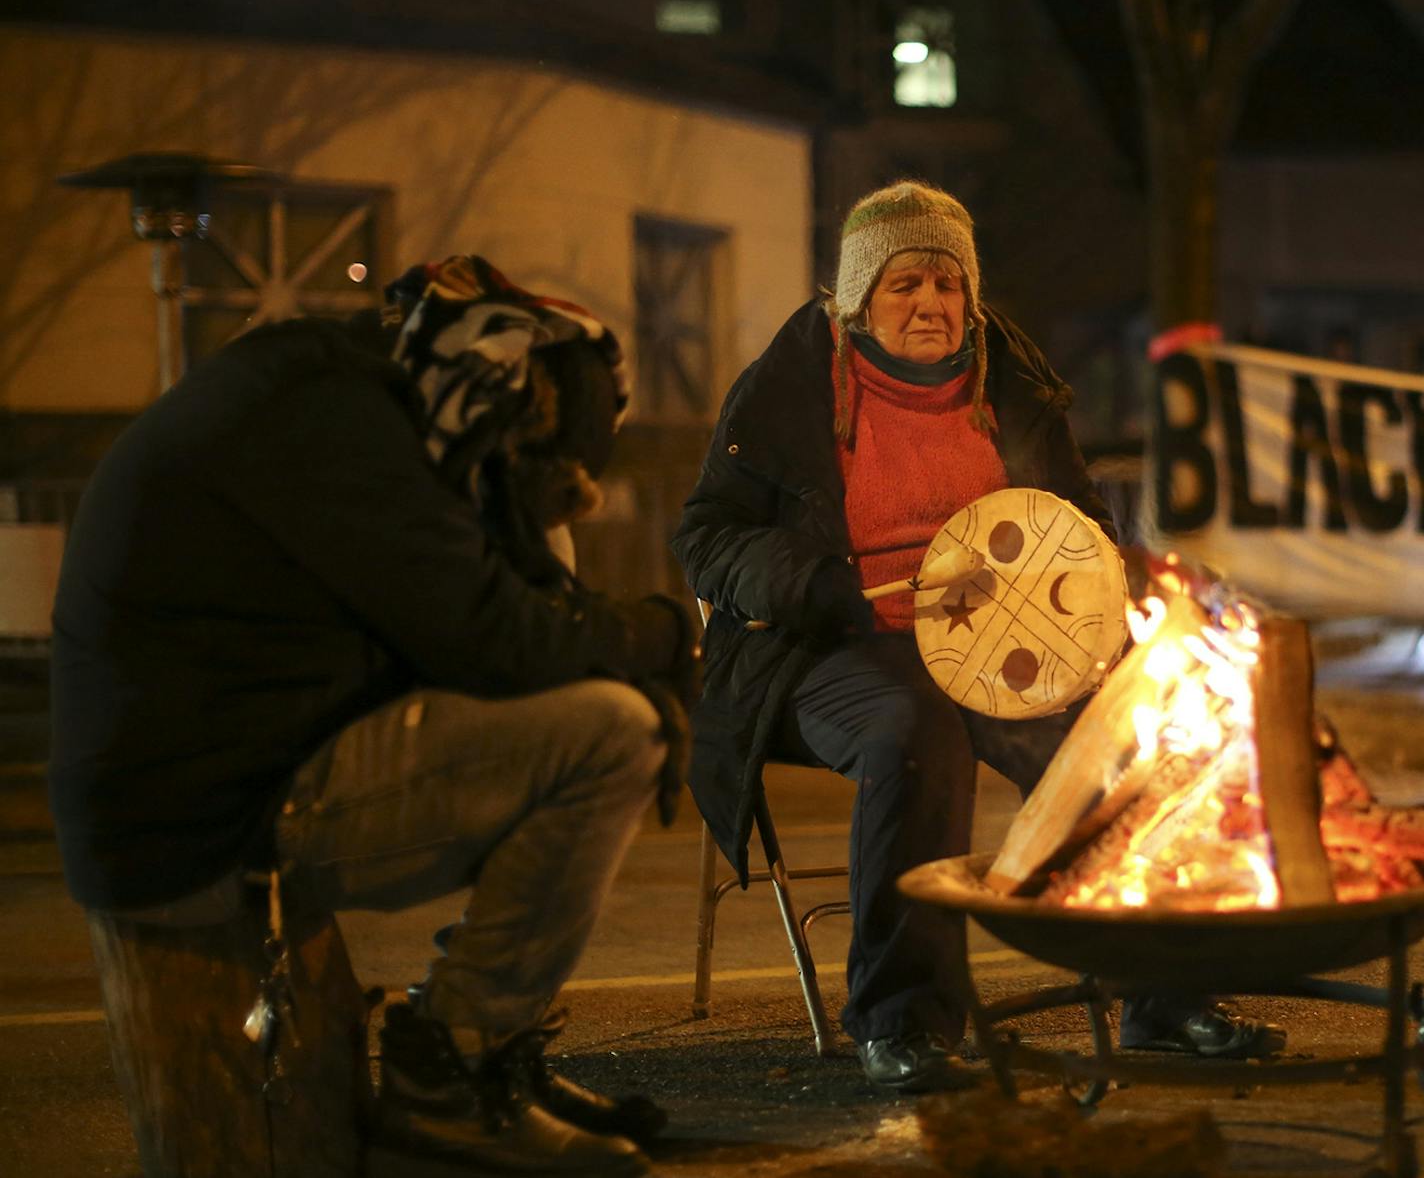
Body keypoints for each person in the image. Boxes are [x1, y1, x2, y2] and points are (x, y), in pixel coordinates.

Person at [48, 256, 696, 1177]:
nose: (499, 492)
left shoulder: (356, 392)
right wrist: (666, 639)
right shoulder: (339, 422)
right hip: (204, 828)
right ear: (504, 396)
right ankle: (454, 1073)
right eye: (522, 468)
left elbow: (495, 626)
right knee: (608, 736)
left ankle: (490, 1055)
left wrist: (570, 590)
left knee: (597, 709)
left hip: (213, 783)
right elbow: (493, 636)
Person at [673, 181, 1285, 1093]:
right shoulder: (793, 383)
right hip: (827, 643)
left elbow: (1078, 519)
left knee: (1122, 733)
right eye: (904, 285)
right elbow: (707, 538)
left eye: (948, 285)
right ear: (858, 299)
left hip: (1004, 641)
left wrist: (1092, 595)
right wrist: (820, 585)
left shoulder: (1008, 380)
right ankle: (903, 1020)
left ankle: (1164, 994)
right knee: (914, 731)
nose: (931, 305)